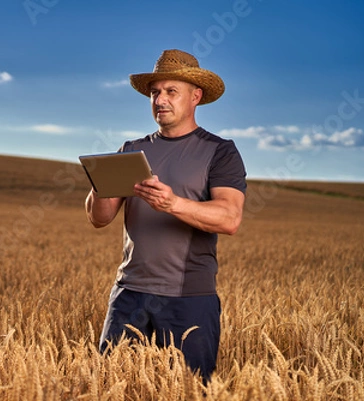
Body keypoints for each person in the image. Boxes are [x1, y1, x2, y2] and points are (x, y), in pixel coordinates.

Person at [85, 49, 247, 383]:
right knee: (108, 386)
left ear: (195, 97)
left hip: (188, 300)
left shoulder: (220, 151)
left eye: (171, 92)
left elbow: (229, 218)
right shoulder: (131, 150)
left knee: (187, 390)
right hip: (129, 295)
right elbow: (99, 219)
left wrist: (173, 203)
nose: (160, 100)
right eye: (155, 92)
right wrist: (101, 182)